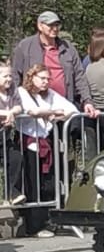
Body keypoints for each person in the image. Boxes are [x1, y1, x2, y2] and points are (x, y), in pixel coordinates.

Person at [17, 63, 77, 236]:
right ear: (32, 77)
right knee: (32, 183)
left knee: (48, 183)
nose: (45, 82)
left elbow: (71, 109)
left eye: (47, 79)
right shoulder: (22, 92)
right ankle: (33, 226)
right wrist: (51, 112)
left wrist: (56, 114)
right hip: (29, 142)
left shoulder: (49, 94)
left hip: (45, 140)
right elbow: (32, 110)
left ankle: (47, 221)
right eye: (42, 78)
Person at [12, 11, 98, 116]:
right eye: (50, 25)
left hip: (64, 105)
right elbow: (15, 76)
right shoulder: (25, 46)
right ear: (40, 26)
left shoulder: (68, 48)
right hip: (36, 108)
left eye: (57, 25)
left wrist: (87, 101)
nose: (55, 28)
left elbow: (79, 76)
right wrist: (15, 102)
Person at [0, 61, 25, 205]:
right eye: (5, 76)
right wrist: (6, 114)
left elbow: (19, 107)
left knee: (16, 157)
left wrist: (11, 112)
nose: (9, 79)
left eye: (10, 76)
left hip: (4, 137)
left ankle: (12, 193)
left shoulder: (12, 89)